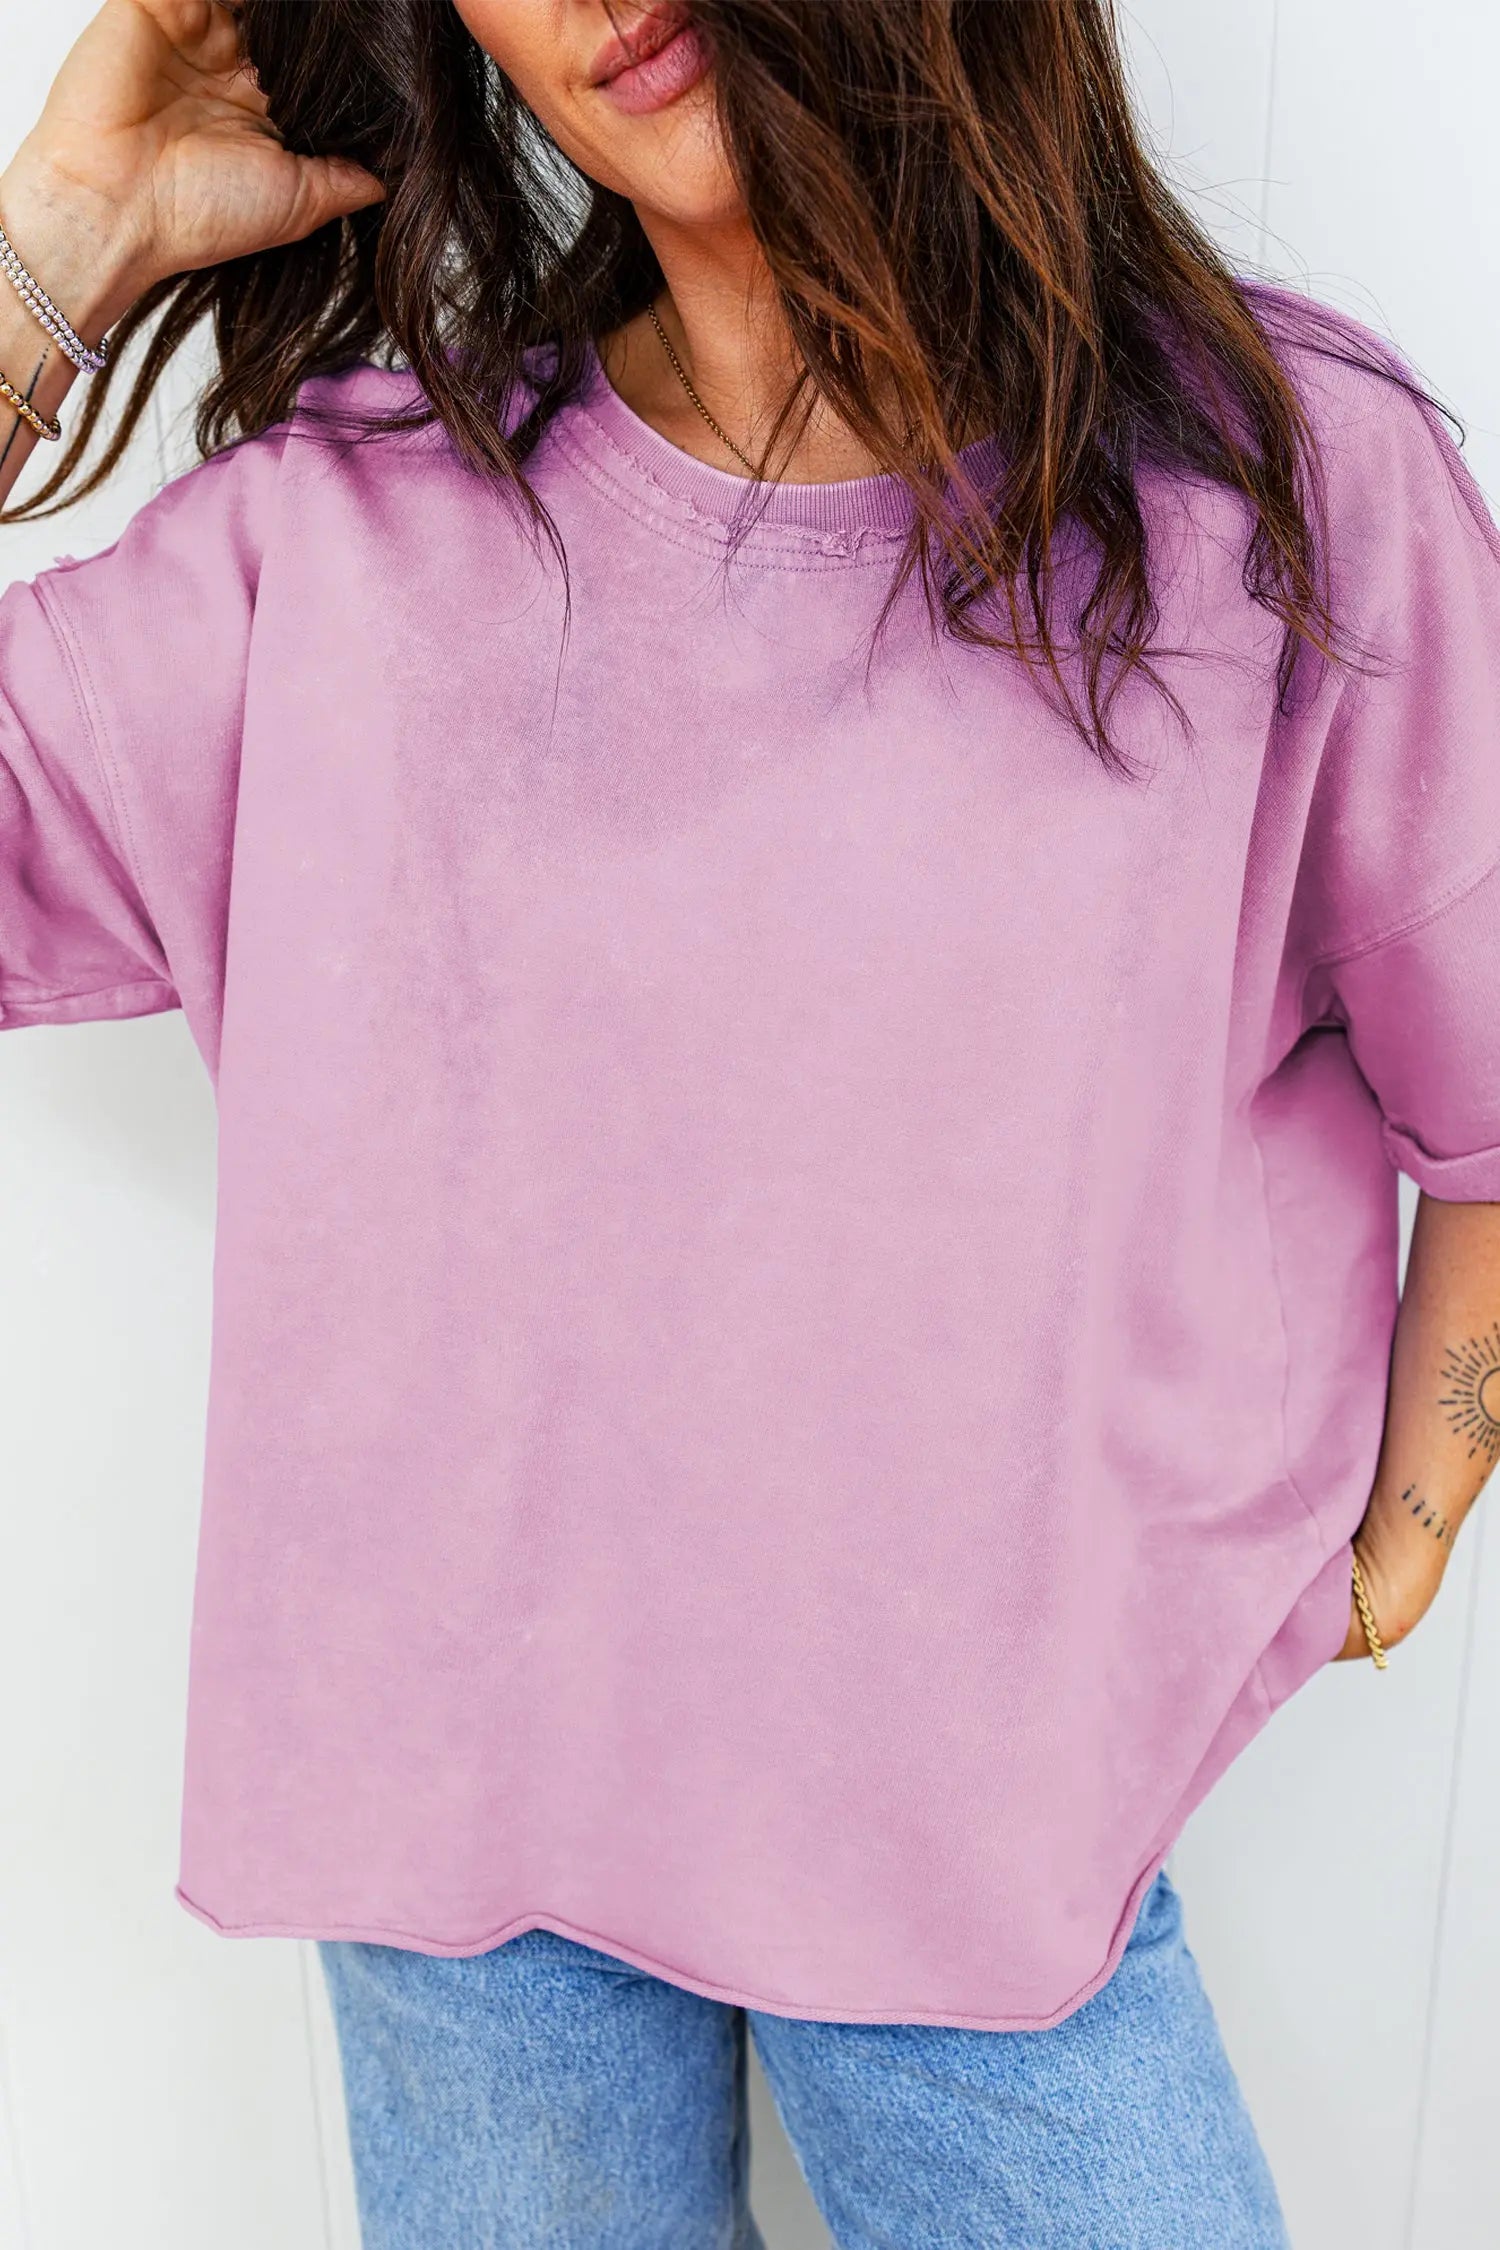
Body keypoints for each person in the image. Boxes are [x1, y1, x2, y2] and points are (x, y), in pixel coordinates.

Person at [2, 2, 1497, 2243]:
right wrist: (51, 250)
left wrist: (1402, 1545)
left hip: (990, 1890)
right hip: (462, 1886)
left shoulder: (1274, 485)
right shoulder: (353, 530)